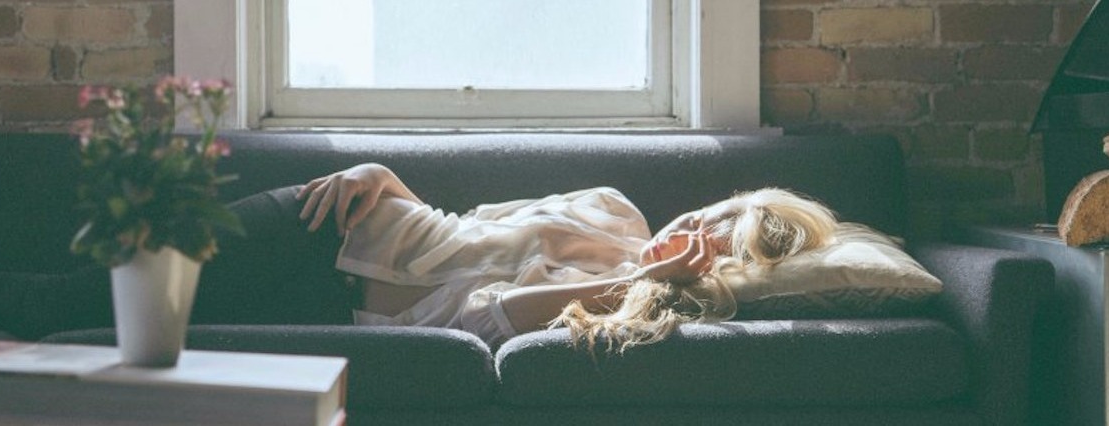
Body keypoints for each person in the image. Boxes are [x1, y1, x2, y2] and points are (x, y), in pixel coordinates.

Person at [295, 163, 838, 352]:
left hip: (323, 308)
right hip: (331, 221)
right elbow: (467, 225)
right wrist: (380, 177)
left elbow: (485, 315)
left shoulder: (637, 303)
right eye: (693, 220)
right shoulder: (611, 207)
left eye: (699, 248)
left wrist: (648, 279)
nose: (678, 236)